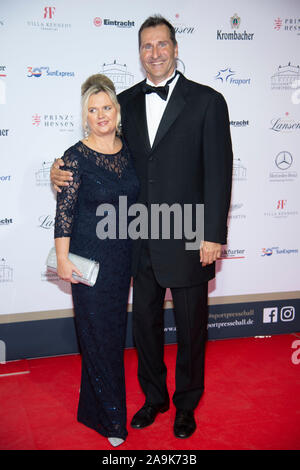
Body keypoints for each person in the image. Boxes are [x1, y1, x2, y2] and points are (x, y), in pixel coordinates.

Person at [51, 15, 233, 439]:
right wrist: (59, 172)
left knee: (191, 329)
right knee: (145, 326)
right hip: (137, 238)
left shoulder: (208, 101)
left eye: (161, 44)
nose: (154, 53)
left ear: (174, 48)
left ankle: (186, 404)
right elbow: (100, 154)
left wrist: (212, 234)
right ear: (139, 53)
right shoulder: (125, 103)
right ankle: (154, 398)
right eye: (146, 46)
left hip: (189, 236)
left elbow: (219, 172)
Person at [53, 74, 139, 447]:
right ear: (84, 115)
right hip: (88, 260)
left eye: (106, 107)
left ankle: (92, 408)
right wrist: (61, 258)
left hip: (122, 261)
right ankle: (112, 420)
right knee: (98, 339)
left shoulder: (129, 149)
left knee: (110, 336)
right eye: (93, 109)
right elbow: (64, 214)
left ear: (117, 111)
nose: (100, 114)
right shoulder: (73, 157)